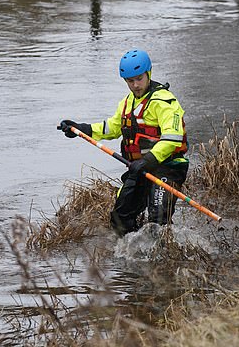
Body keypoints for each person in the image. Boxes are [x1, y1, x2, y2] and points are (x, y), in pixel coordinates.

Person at [59, 49, 189, 236]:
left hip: (167, 166)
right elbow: (112, 127)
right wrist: (82, 128)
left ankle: (165, 254)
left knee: (158, 218)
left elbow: (173, 138)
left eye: (139, 79)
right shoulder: (127, 103)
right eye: (130, 81)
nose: (135, 85)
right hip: (139, 168)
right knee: (120, 219)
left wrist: (148, 160)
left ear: (148, 73)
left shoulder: (165, 102)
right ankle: (132, 253)